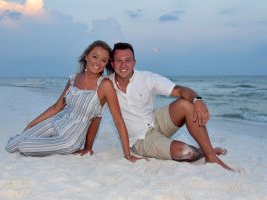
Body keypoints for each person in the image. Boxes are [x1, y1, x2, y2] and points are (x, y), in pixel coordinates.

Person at [80, 42, 232, 170]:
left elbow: (180, 90)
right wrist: (88, 147)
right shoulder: (107, 84)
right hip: (140, 139)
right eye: (118, 61)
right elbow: (95, 115)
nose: (123, 65)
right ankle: (204, 151)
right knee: (185, 152)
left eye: (128, 60)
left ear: (134, 62)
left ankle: (211, 156)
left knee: (187, 104)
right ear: (112, 63)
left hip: (155, 120)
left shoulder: (146, 78)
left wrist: (198, 101)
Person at [5, 40, 139, 162]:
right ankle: (38, 140)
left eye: (103, 60)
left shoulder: (105, 85)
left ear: (106, 64)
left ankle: (40, 143)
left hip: (69, 140)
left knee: (24, 146)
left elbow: (112, 120)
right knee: (11, 145)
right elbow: (57, 107)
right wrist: (32, 123)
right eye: (95, 56)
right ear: (86, 56)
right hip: (55, 124)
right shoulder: (74, 79)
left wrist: (127, 154)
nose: (98, 63)